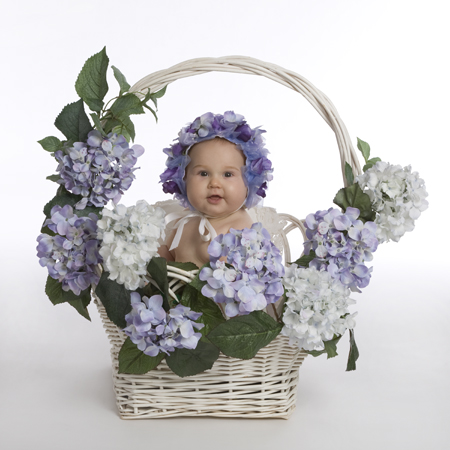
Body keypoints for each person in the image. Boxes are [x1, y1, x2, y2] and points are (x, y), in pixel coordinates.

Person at [157, 111, 274, 268]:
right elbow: (171, 255)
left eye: (227, 174)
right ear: (183, 178)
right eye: (203, 173)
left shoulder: (240, 229)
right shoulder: (184, 221)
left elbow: (239, 275)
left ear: (249, 180)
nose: (214, 183)